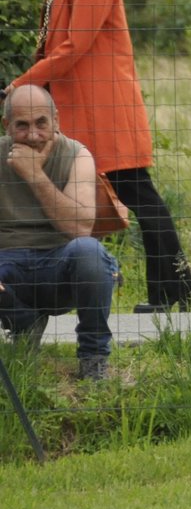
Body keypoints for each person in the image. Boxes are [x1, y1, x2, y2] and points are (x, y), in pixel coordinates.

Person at [3, 0, 191, 314]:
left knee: (138, 194)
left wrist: (21, 84)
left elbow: (75, 46)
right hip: (83, 106)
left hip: (102, 108)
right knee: (123, 195)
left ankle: (171, 289)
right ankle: (167, 289)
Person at [0, 85, 119, 381]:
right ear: (6, 126)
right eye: (22, 125)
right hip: (7, 267)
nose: (33, 134)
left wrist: (35, 175)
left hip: (60, 267)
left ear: (56, 120)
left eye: (41, 123)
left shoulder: (77, 155)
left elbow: (79, 227)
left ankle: (93, 359)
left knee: (89, 250)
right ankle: (22, 322)